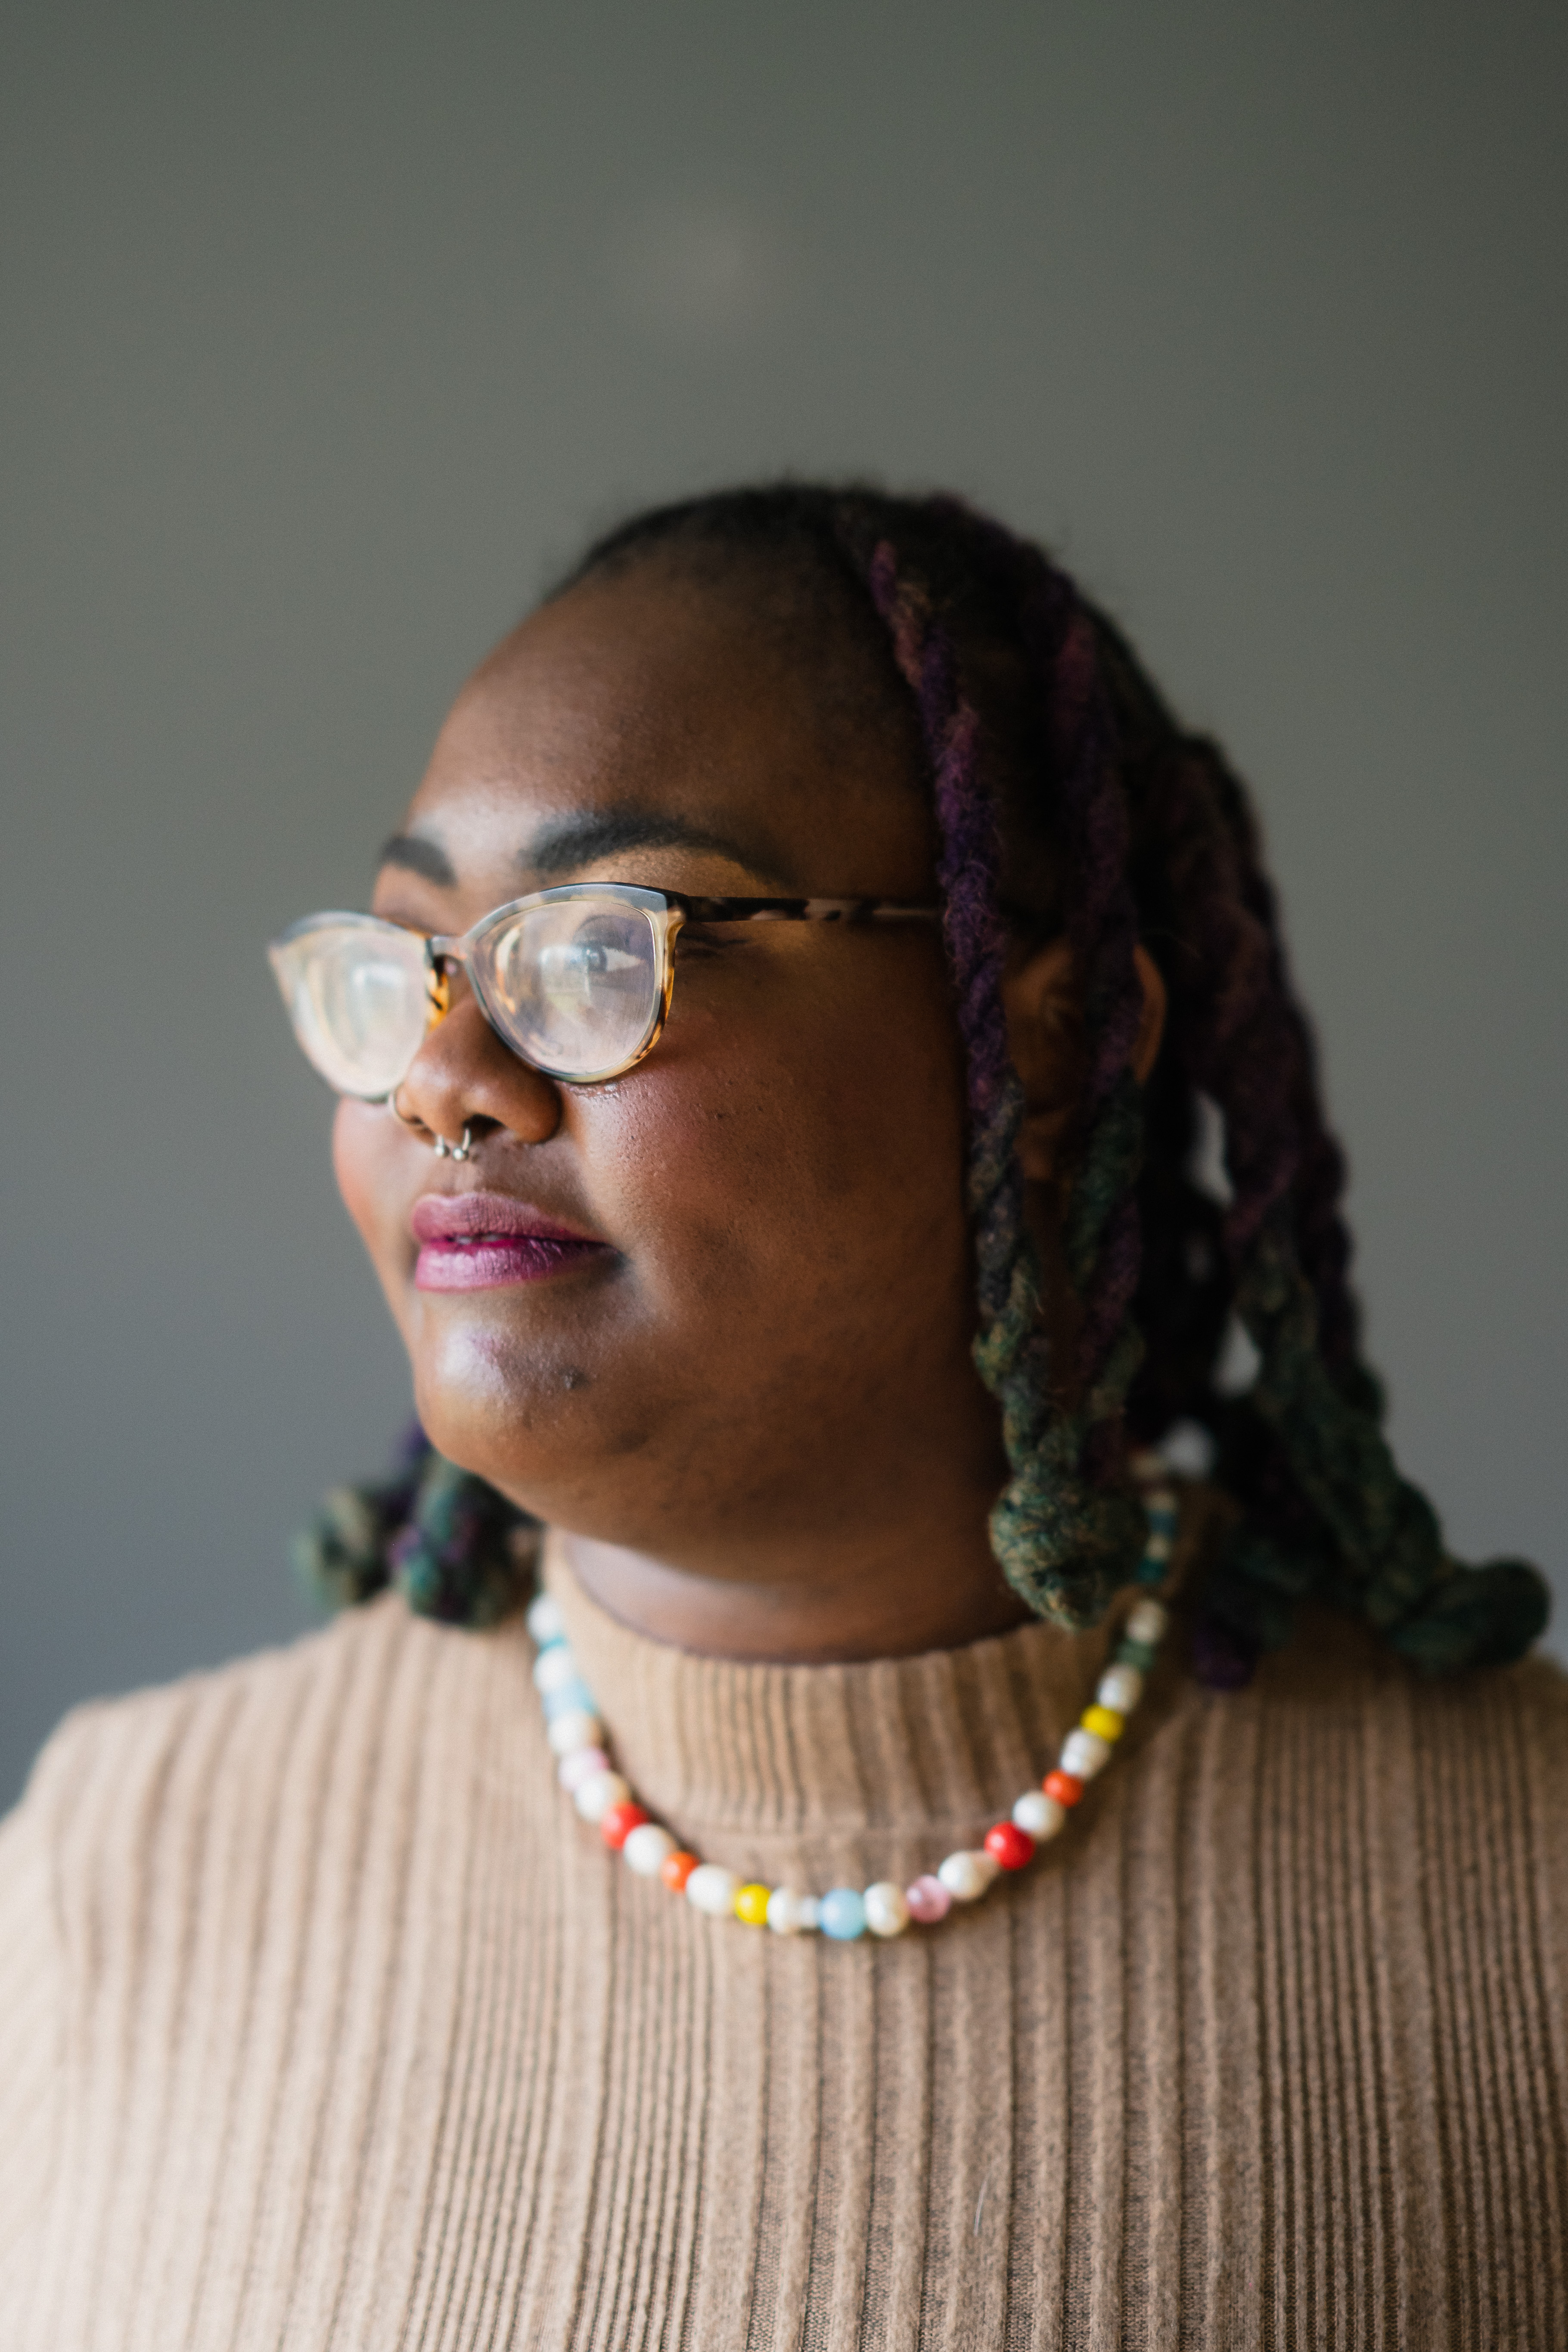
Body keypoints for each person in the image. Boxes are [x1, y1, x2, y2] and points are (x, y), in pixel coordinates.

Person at [1, 484, 1562, 2350]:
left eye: (599, 948)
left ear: (1051, 1044)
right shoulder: (116, 1861)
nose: (442, 1079)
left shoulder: (1518, 1903)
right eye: (405, 961)